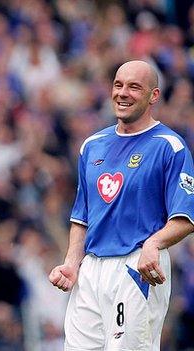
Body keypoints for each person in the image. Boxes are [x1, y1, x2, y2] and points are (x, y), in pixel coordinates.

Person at [48, 60, 194, 350]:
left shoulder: (169, 146)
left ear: (153, 95)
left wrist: (154, 244)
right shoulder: (92, 146)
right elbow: (81, 217)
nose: (123, 93)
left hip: (136, 265)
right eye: (118, 85)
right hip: (90, 271)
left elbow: (186, 217)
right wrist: (71, 262)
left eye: (134, 87)